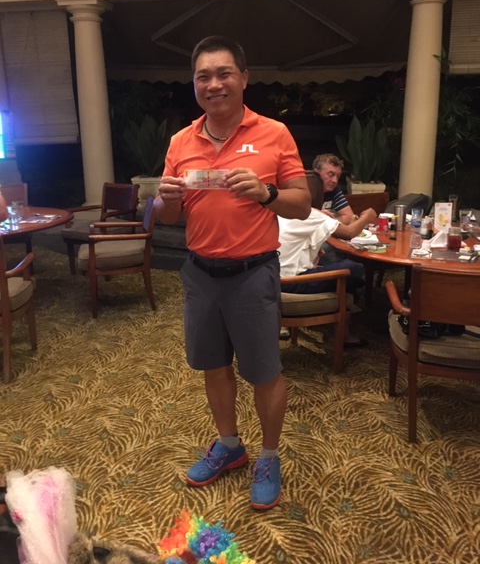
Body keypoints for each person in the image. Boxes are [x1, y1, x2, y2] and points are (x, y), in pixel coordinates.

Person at [154, 36, 310, 510]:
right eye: (203, 76)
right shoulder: (181, 141)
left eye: (224, 74)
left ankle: (268, 456)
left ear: (243, 78)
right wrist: (165, 200)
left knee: (264, 371)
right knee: (213, 366)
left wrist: (266, 193)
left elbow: (302, 204)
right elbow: (167, 216)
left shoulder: (274, 133)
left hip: (252, 273)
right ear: (194, 84)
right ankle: (229, 445)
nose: (214, 84)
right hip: (200, 273)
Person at [278, 204, 377, 344]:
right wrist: (368, 216)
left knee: (345, 277)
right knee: (353, 269)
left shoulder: (283, 209)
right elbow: (349, 233)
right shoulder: (310, 214)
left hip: (274, 279)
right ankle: (344, 333)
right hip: (291, 283)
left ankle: (344, 332)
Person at [312, 153, 354, 224]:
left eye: (338, 176)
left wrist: (328, 222)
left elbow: (350, 217)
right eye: (330, 175)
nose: (335, 181)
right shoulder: (304, 189)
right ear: (316, 174)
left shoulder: (334, 189)